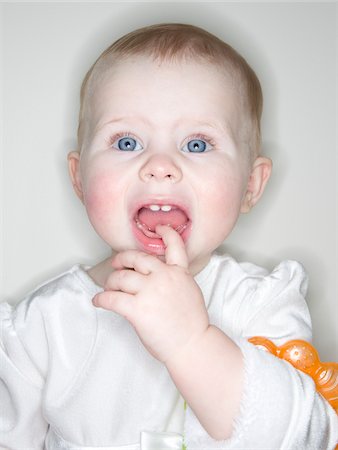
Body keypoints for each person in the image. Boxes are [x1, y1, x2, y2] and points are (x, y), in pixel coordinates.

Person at [1, 23, 337, 449]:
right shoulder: (41, 325)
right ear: (79, 177)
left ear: (250, 185)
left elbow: (307, 436)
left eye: (197, 145)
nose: (159, 165)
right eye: (126, 142)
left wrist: (191, 343)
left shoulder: (260, 304)